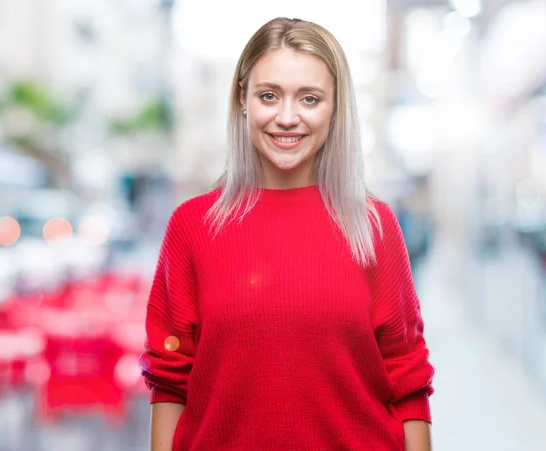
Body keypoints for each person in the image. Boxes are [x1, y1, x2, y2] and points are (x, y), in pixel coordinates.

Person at [140, 17, 434, 451]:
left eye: (310, 98)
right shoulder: (192, 227)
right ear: (243, 99)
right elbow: (169, 381)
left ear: (335, 108)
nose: (287, 117)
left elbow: (407, 377)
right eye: (268, 95)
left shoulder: (374, 227)